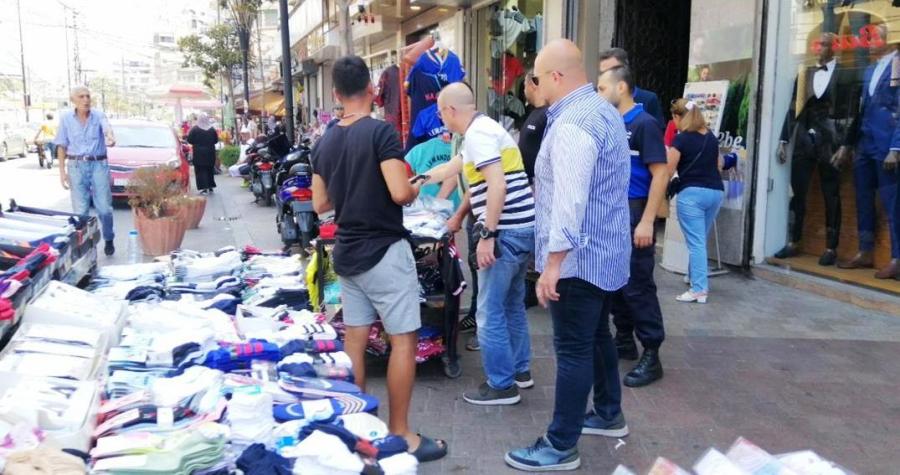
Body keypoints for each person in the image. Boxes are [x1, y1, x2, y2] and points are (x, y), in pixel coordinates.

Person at [309, 55, 447, 463]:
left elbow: (320, 204)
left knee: (354, 339)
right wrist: (414, 185)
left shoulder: (324, 143)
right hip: (384, 251)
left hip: (347, 252)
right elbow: (400, 193)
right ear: (371, 88)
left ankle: (360, 431)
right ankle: (401, 433)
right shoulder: (381, 132)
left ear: (336, 94)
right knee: (402, 340)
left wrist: (350, 186)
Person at [505, 39, 631, 472]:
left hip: (579, 259)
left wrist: (552, 266)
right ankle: (609, 413)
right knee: (596, 337)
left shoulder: (574, 123)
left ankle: (560, 444)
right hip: (602, 253)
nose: (534, 86)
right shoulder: (601, 111)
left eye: (537, 78)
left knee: (574, 348)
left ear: (556, 76)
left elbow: (569, 201)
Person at [420, 82, 536, 406]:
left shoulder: (478, 135)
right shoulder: (484, 131)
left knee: (488, 312)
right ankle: (520, 371)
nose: (441, 119)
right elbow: (454, 168)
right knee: (511, 305)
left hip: (506, 233)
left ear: (450, 110)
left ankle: (501, 385)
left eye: (441, 113)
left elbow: (497, 186)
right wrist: (419, 180)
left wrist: (487, 235)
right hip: (519, 229)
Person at [597, 65, 668, 388]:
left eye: (602, 88)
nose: (599, 94)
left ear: (621, 87)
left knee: (638, 285)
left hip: (635, 212)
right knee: (616, 282)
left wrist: (647, 221)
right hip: (613, 214)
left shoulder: (644, 123)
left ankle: (652, 352)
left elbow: (660, 174)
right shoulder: (613, 124)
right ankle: (624, 339)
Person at [668, 98, 724, 303]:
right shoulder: (711, 137)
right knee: (700, 238)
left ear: (678, 117)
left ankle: (699, 289)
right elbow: (719, 165)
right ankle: (693, 276)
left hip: (691, 194)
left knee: (696, 242)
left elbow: (669, 169)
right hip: (715, 192)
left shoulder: (681, 139)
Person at [54, 85, 117, 257]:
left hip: (98, 164)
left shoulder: (98, 115)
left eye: (88, 96)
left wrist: (110, 136)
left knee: (104, 208)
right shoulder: (66, 118)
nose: (86, 100)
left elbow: (106, 128)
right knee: (80, 212)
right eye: (81, 97)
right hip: (76, 166)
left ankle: (109, 238)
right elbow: (61, 145)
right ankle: (86, 246)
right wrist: (62, 172)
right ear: (73, 100)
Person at [598, 48, 665, 129]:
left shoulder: (648, 99)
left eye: (613, 70)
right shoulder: (597, 100)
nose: (607, 75)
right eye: (602, 72)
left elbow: (656, 130)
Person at [404, 134, 461, 210]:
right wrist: (417, 180)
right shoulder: (459, 145)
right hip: (455, 208)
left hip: (430, 208)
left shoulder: (419, 150)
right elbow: (448, 168)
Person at [519, 70, 549, 184]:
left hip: (538, 183)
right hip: (527, 181)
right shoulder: (533, 112)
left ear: (532, 85)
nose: (524, 91)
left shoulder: (548, 114)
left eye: (525, 86)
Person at [186, 113, 219, 194]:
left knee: (200, 170)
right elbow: (216, 140)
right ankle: (210, 186)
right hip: (210, 153)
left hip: (199, 153)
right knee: (209, 169)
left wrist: (197, 143)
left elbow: (189, 140)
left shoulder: (195, 129)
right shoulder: (212, 129)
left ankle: (204, 188)